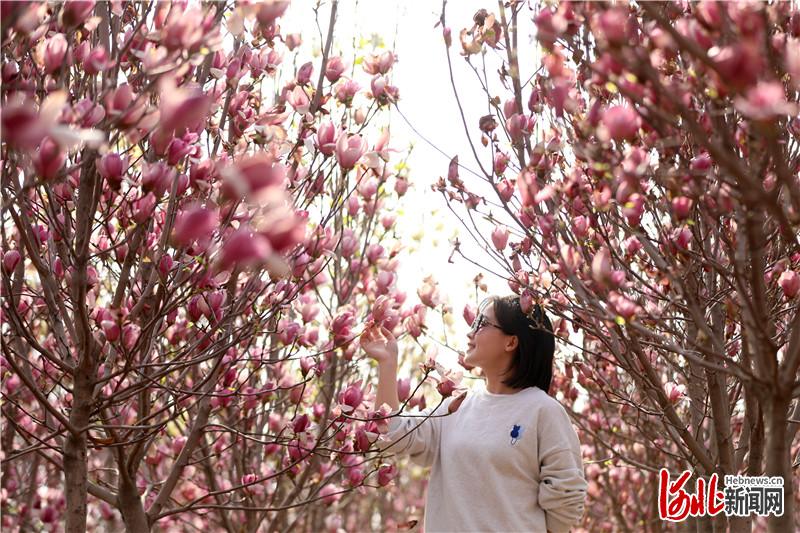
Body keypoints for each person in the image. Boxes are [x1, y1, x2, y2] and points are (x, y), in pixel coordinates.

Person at [361, 295, 587, 533]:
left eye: (482, 323)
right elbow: (392, 433)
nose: (470, 332)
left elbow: (566, 503)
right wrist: (387, 362)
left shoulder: (543, 411)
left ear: (511, 342)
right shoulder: (458, 406)